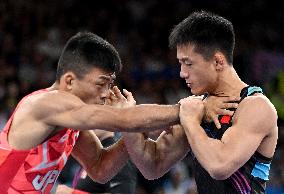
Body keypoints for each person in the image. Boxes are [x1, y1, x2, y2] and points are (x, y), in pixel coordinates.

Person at [0, 31, 234, 194]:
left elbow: (100, 168)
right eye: (100, 83)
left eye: (110, 84)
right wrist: (189, 109)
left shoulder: (67, 121)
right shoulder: (47, 104)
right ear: (69, 81)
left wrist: (133, 135)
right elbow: (124, 120)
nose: (105, 93)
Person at [122, 11, 278, 194]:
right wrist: (126, 121)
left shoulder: (256, 106)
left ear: (218, 61)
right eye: (180, 63)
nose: (182, 73)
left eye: (188, 63)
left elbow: (219, 165)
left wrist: (189, 119)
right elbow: (153, 166)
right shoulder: (198, 107)